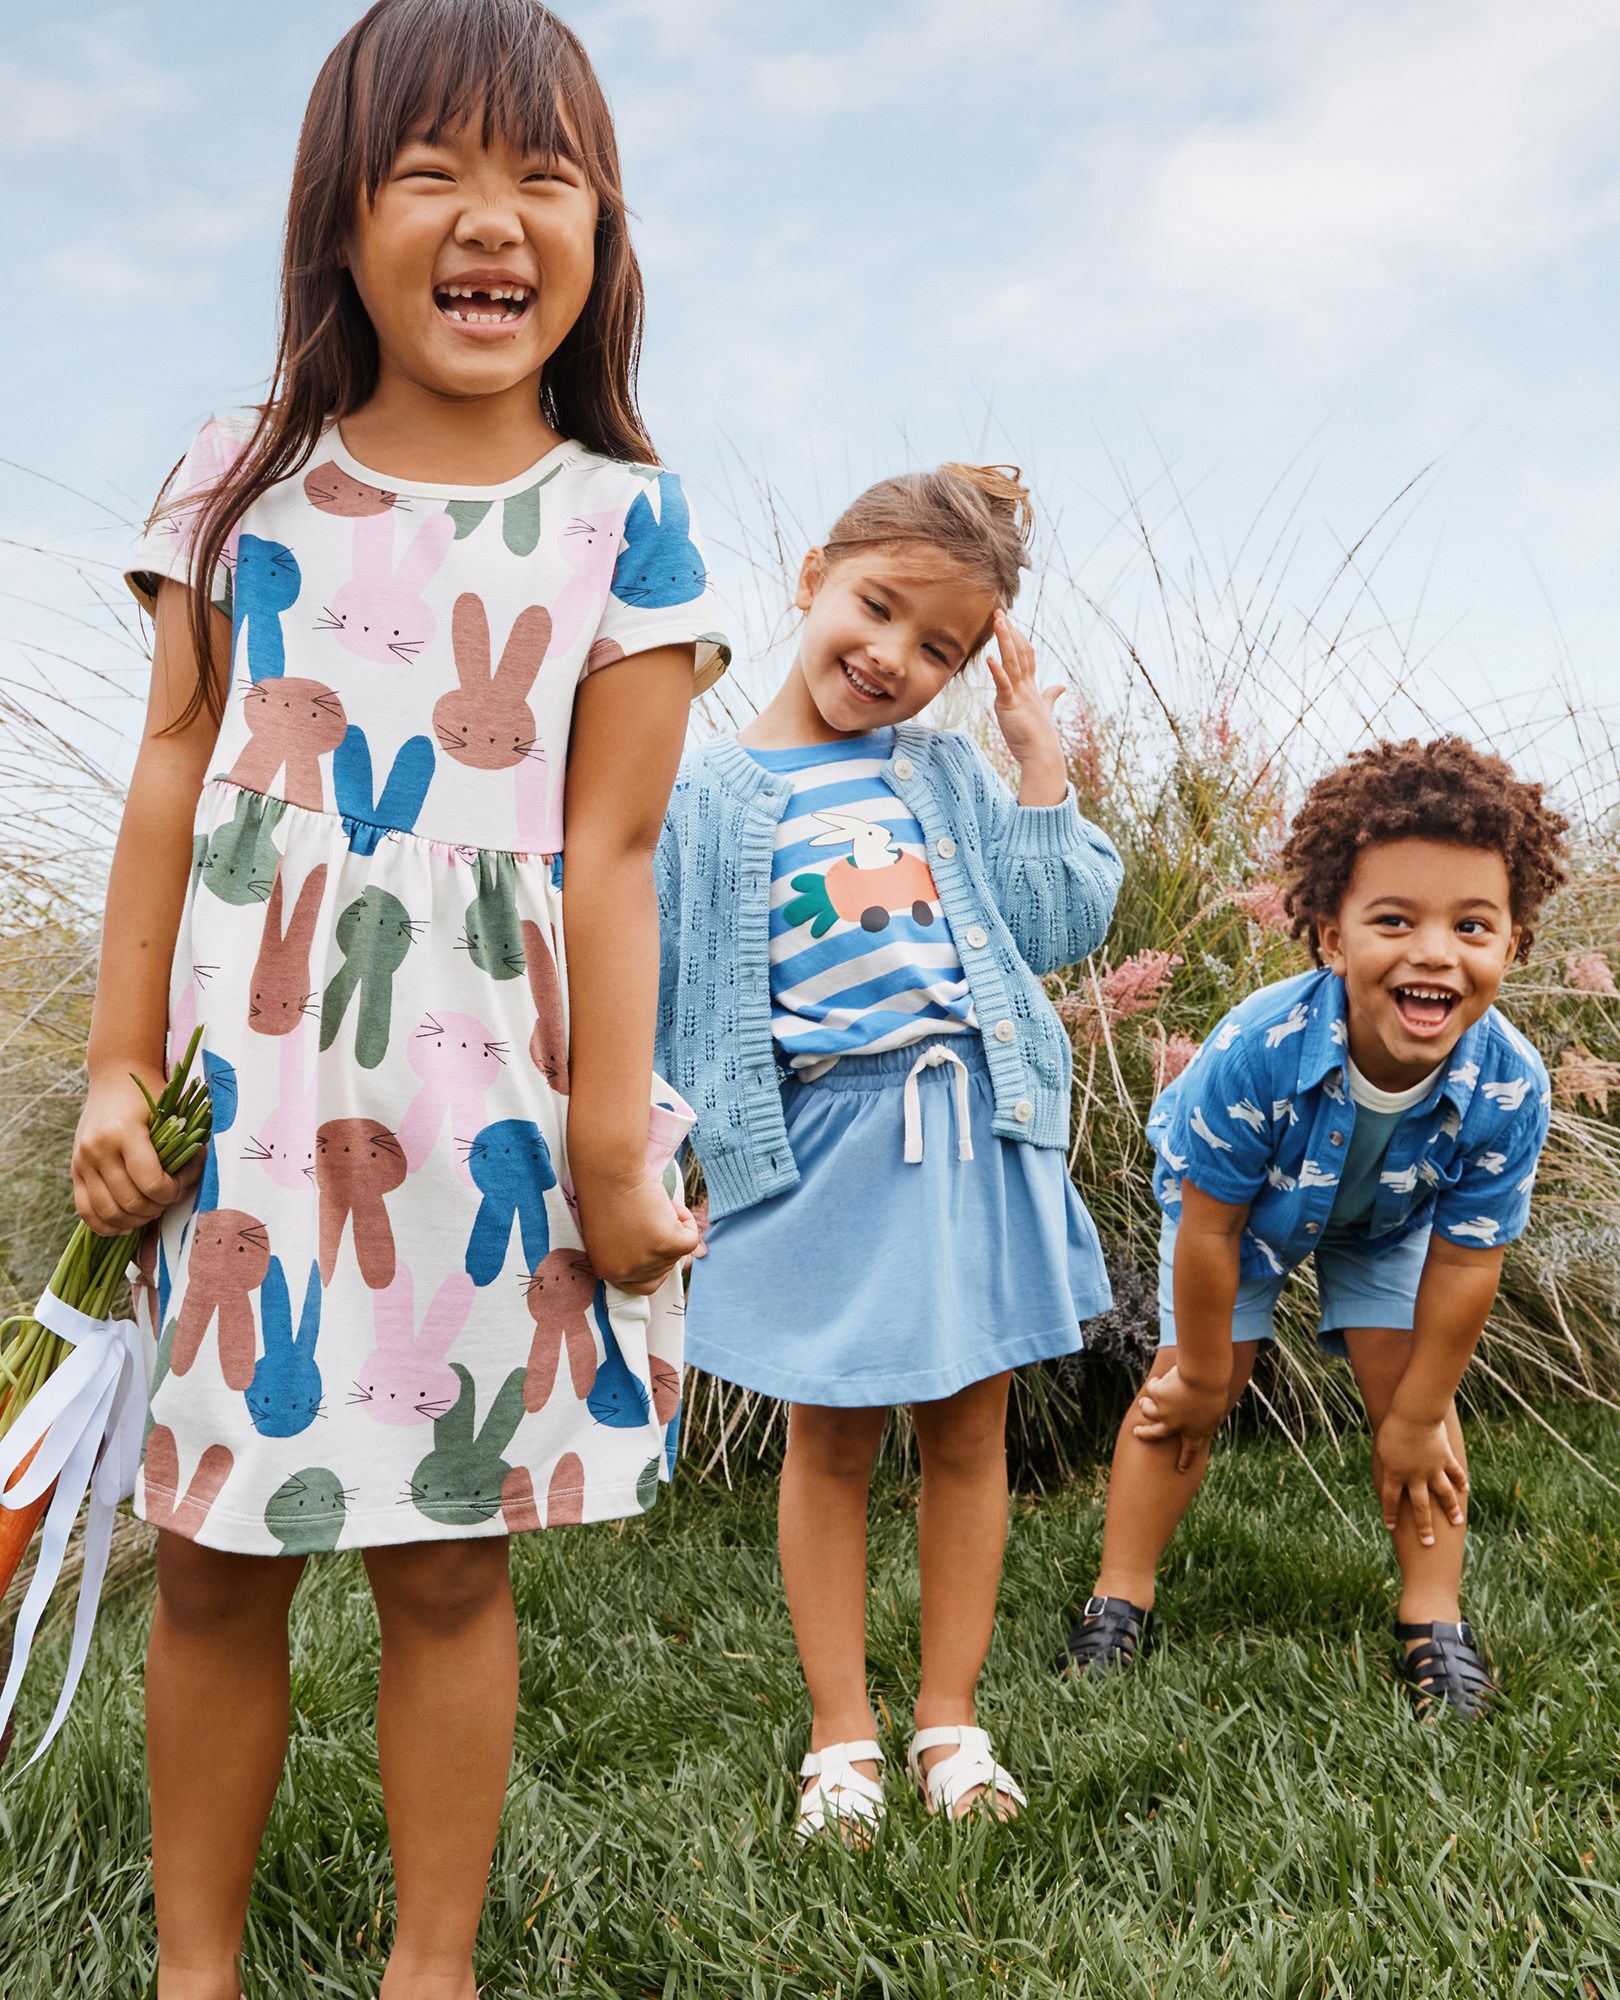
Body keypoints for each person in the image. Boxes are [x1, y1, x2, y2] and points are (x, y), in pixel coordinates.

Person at [77, 4, 725, 1993]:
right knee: (215, 1554)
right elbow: (169, 777)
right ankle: (194, 1970)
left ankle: (426, 1970)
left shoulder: (626, 521)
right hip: (253, 1121)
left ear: (602, 231)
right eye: (432, 171)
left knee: (446, 1559)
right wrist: (112, 1070)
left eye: (545, 177)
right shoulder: (240, 478)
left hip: (487, 1123)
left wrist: (608, 1150)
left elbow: (613, 856)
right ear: (339, 219)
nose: (492, 218)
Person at [656, 464, 1121, 1836]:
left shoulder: (948, 772)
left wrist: (1037, 761)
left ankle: (950, 1721)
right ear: (813, 577)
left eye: (940, 649)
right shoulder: (705, 795)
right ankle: (841, 1734)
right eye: (876, 609)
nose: (893, 659)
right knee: (832, 1439)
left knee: (970, 1434)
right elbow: (665, 989)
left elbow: (1057, 923)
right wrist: (660, 1151)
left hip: (973, 1136)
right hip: (821, 1144)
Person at [1058, 738, 1569, 1720]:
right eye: (1394, 919)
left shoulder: (1510, 1085)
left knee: (1414, 1396)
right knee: (1188, 1389)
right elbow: (1208, 1231)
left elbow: (1468, 1262)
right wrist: (1204, 1369)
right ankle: (1119, 1596)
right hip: (1240, 1218)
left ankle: (1434, 1617)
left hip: (1390, 1221)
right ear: (1333, 937)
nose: (1434, 951)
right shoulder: (1259, 1047)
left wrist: (1416, 1416)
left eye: (1472, 924)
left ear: (1511, 945)